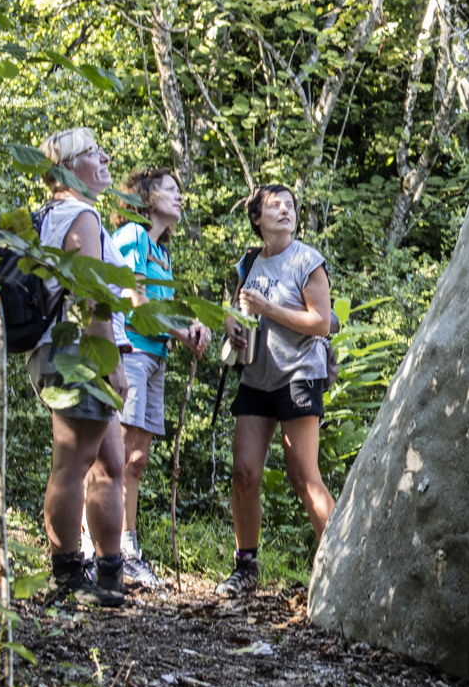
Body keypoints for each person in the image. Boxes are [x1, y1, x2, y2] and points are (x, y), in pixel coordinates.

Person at [27, 128, 130, 608]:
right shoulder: (78, 215)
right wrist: (112, 364)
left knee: (110, 464)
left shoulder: (59, 215)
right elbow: (90, 295)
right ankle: (67, 575)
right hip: (78, 355)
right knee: (73, 464)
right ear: (68, 167)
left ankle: (109, 576)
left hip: (71, 352)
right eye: (93, 152)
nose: (104, 157)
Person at [219, 183, 335, 598]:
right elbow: (236, 310)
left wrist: (268, 309)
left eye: (290, 205)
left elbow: (321, 322)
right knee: (244, 471)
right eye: (275, 205)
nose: (285, 210)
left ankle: (338, 567)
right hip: (257, 376)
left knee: (303, 475)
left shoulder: (307, 261)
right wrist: (233, 325)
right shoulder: (249, 262)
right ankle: (245, 566)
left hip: (299, 374)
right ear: (257, 218)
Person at [108, 167, 211, 589]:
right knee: (116, 458)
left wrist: (192, 326)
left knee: (136, 460)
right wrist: (183, 332)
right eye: (171, 189)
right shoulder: (133, 236)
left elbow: (163, 307)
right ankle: (108, 552)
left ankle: (127, 548)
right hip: (130, 352)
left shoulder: (161, 252)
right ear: (147, 196)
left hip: (155, 357)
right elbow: (134, 299)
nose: (179, 196)